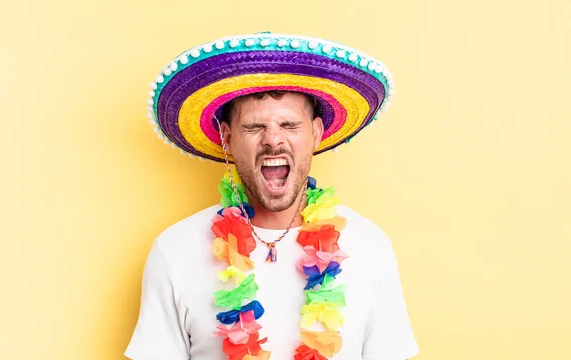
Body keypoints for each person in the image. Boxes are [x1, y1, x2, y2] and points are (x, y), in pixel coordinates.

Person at [125, 33, 419, 360]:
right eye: (254, 127)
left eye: (290, 124)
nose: (273, 140)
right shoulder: (175, 250)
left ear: (317, 133)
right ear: (227, 137)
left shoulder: (370, 247)